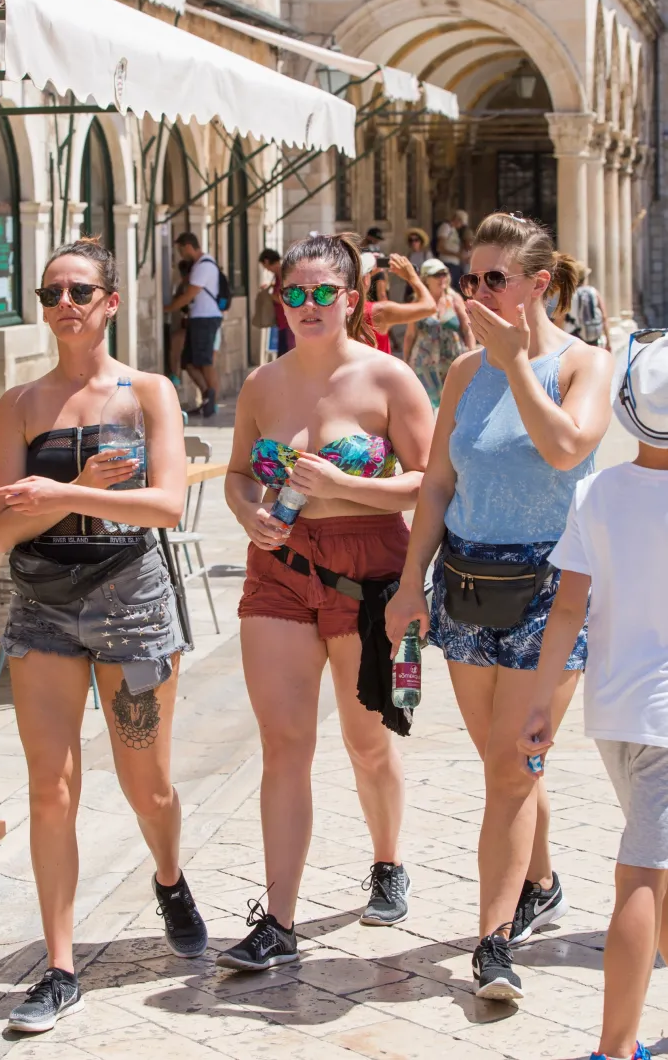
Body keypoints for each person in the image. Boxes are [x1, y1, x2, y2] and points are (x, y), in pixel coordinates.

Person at [385, 212, 614, 1002]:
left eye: (493, 279)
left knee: (512, 773)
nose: (474, 293)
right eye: (469, 278)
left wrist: (518, 367)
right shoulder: (459, 374)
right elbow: (440, 484)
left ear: (538, 285)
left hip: (552, 588)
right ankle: (541, 880)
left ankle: (493, 943)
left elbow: (565, 449)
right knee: (504, 762)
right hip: (468, 582)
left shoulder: (588, 364)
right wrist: (408, 582)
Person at [0, 237, 207, 1033]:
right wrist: (74, 490)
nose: (63, 306)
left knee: (145, 783)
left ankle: (170, 875)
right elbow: (0, 533)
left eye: (79, 291)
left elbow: (167, 506)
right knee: (51, 788)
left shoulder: (148, 394)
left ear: (111, 302)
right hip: (42, 604)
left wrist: (54, 495)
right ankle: (59, 965)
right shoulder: (18, 405)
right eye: (50, 294)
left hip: (131, 602)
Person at [220, 232, 434, 971]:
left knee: (368, 740)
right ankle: (277, 919)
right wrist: (248, 511)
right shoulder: (261, 385)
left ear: (350, 299)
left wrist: (344, 487)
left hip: (371, 575)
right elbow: (242, 474)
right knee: (284, 745)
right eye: (293, 294)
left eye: (322, 294)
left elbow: (430, 482)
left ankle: (387, 860)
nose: (306, 306)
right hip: (278, 569)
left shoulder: (389, 379)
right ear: (279, 302)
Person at [519, 331, 668, 1060]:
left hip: (617, 715)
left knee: (659, 861)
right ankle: (617, 1049)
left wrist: (544, 701)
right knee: (642, 873)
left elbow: (569, 610)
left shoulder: (599, 492)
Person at [403, 258, 475, 409]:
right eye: (436, 275)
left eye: (444, 273)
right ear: (425, 279)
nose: (442, 278)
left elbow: (467, 329)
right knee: (427, 406)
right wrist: (406, 361)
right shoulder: (417, 302)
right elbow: (410, 335)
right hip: (425, 364)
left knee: (454, 405)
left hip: (452, 361)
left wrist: (471, 353)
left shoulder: (454, 299)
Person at [167, 232, 223, 417]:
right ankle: (208, 396)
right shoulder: (200, 265)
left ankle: (211, 402)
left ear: (189, 246)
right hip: (198, 318)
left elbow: (190, 294)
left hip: (205, 318)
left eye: (181, 250)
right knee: (188, 362)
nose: (181, 254)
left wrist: (168, 308)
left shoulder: (204, 266)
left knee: (205, 362)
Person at [360, 251, 437, 354]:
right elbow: (430, 307)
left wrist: (366, 275)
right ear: (366, 280)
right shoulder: (379, 311)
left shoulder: (343, 310)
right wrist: (412, 276)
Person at [565, 263, 612, 351]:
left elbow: (561, 319)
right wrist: (608, 341)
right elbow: (604, 317)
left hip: (574, 335)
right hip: (592, 334)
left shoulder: (570, 295)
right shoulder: (594, 292)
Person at [259, 247, 294, 357]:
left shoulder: (282, 272)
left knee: (286, 354)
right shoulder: (279, 274)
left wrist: (268, 295)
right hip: (282, 322)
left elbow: (285, 298)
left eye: (264, 266)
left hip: (286, 322)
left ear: (266, 261)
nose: (265, 269)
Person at [165, 258, 191, 386]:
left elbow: (181, 303)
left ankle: (176, 376)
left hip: (190, 326)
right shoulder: (184, 286)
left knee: (175, 347)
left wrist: (166, 308)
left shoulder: (188, 287)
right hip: (189, 325)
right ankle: (176, 376)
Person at [436, 209, 468, 292]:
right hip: (447, 263)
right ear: (457, 219)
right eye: (461, 222)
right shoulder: (446, 227)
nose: (461, 226)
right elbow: (440, 247)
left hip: (455, 264)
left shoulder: (454, 231)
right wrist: (456, 254)